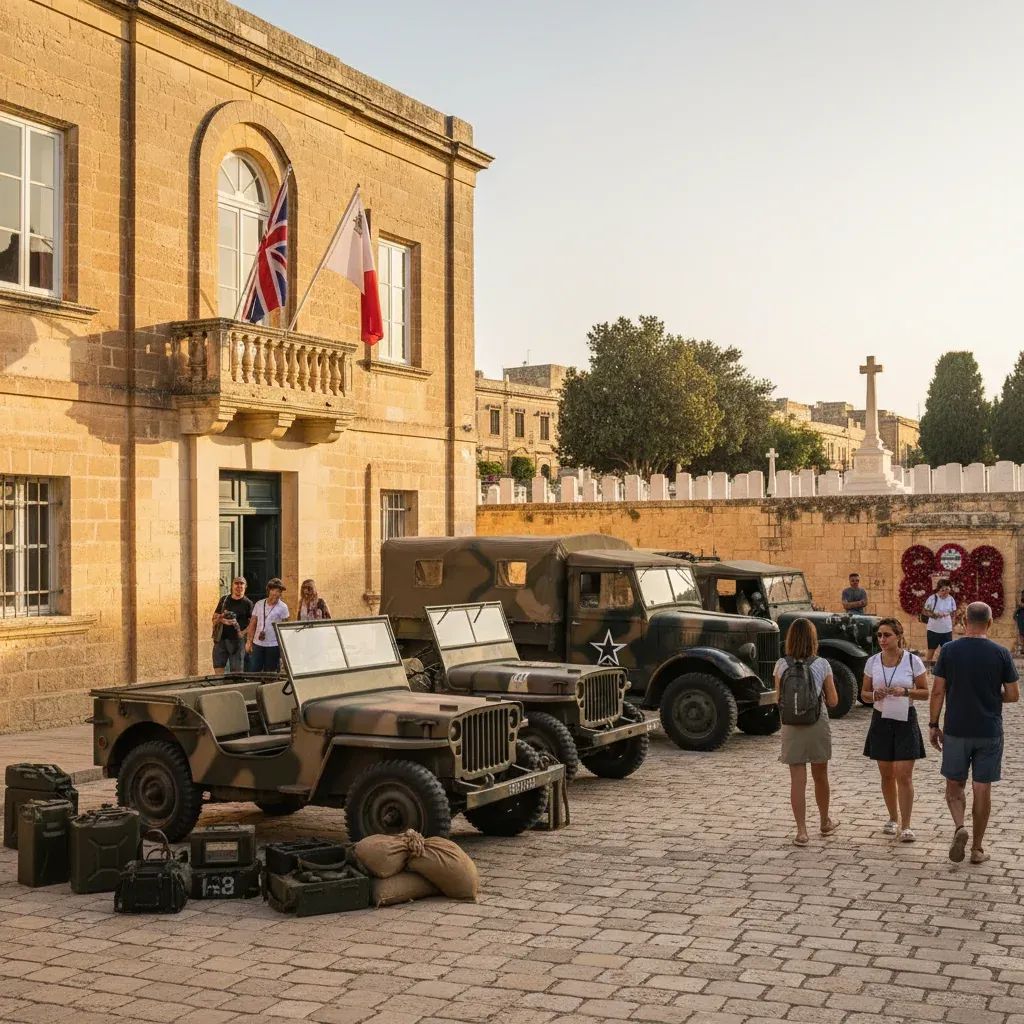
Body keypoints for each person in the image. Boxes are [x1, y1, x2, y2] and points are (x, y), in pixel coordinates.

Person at [929, 602, 1019, 864]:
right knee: (982, 788)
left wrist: (934, 725)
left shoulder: (949, 651)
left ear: (963, 621)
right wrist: (992, 695)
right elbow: (1013, 695)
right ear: (990, 623)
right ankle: (977, 849)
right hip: (989, 730)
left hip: (956, 730)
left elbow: (937, 691)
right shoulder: (1001, 653)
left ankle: (960, 827)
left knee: (954, 785)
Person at [860, 618, 928, 842]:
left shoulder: (913, 661)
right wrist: (873, 696)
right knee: (886, 774)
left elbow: (925, 692)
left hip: (905, 719)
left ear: (898, 636)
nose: (882, 639)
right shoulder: (872, 662)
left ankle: (906, 825)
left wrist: (905, 691)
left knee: (904, 775)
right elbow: (864, 694)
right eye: (879, 635)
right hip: (881, 719)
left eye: (886, 635)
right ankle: (892, 818)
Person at [774, 617, 840, 846]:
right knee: (821, 776)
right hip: (816, 723)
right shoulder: (822, 664)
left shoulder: (781, 665)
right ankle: (824, 821)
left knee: (797, 780)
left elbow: (778, 698)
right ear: (813, 639)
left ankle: (801, 831)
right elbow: (832, 701)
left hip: (791, 725)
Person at [245, 577, 290, 673]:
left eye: (279, 591)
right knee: (254, 670)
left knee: (270, 672)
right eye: (274, 590)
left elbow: (285, 628)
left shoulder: (283, 607)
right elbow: (252, 624)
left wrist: (284, 648)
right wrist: (249, 641)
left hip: (273, 645)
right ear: (269, 590)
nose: (277, 594)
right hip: (258, 643)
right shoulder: (259, 604)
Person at [211, 576, 253, 675]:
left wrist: (243, 633)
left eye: (241, 584)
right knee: (218, 669)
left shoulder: (248, 603)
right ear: (232, 586)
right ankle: (221, 689)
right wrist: (222, 619)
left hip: (237, 642)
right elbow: (214, 618)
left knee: (236, 672)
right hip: (221, 640)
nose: (239, 586)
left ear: (245, 586)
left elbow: (253, 623)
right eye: (236, 583)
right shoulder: (224, 600)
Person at [922, 579, 958, 664]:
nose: (945, 592)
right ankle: (928, 669)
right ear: (939, 589)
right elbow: (924, 611)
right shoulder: (932, 598)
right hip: (933, 629)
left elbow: (953, 612)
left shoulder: (951, 599)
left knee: (947, 651)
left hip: (947, 630)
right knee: (931, 650)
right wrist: (935, 615)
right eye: (943, 590)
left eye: (947, 589)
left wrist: (952, 623)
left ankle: (946, 670)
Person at [1013, 591, 1024, 656]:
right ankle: (1022, 649)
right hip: (1021, 622)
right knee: (1022, 636)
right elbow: (1014, 616)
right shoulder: (1020, 608)